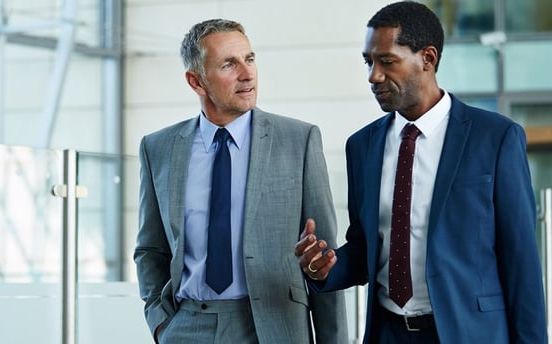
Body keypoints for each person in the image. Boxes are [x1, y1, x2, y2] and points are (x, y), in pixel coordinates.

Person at [294, 2, 547, 343]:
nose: (373, 76)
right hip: (387, 333)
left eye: (387, 61)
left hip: (468, 333)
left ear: (427, 58)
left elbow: (521, 264)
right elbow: (365, 247)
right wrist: (325, 267)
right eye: (369, 62)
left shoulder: (496, 137)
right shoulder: (362, 146)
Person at [134, 18, 348, 344]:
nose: (247, 74)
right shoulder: (158, 148)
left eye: (249, 59)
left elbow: (324, 257)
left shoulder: (298, 140)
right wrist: (160, 322)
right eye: (228, 64)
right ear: (196, 81)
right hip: (187, 326)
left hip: (274, 327)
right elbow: (150, 248)